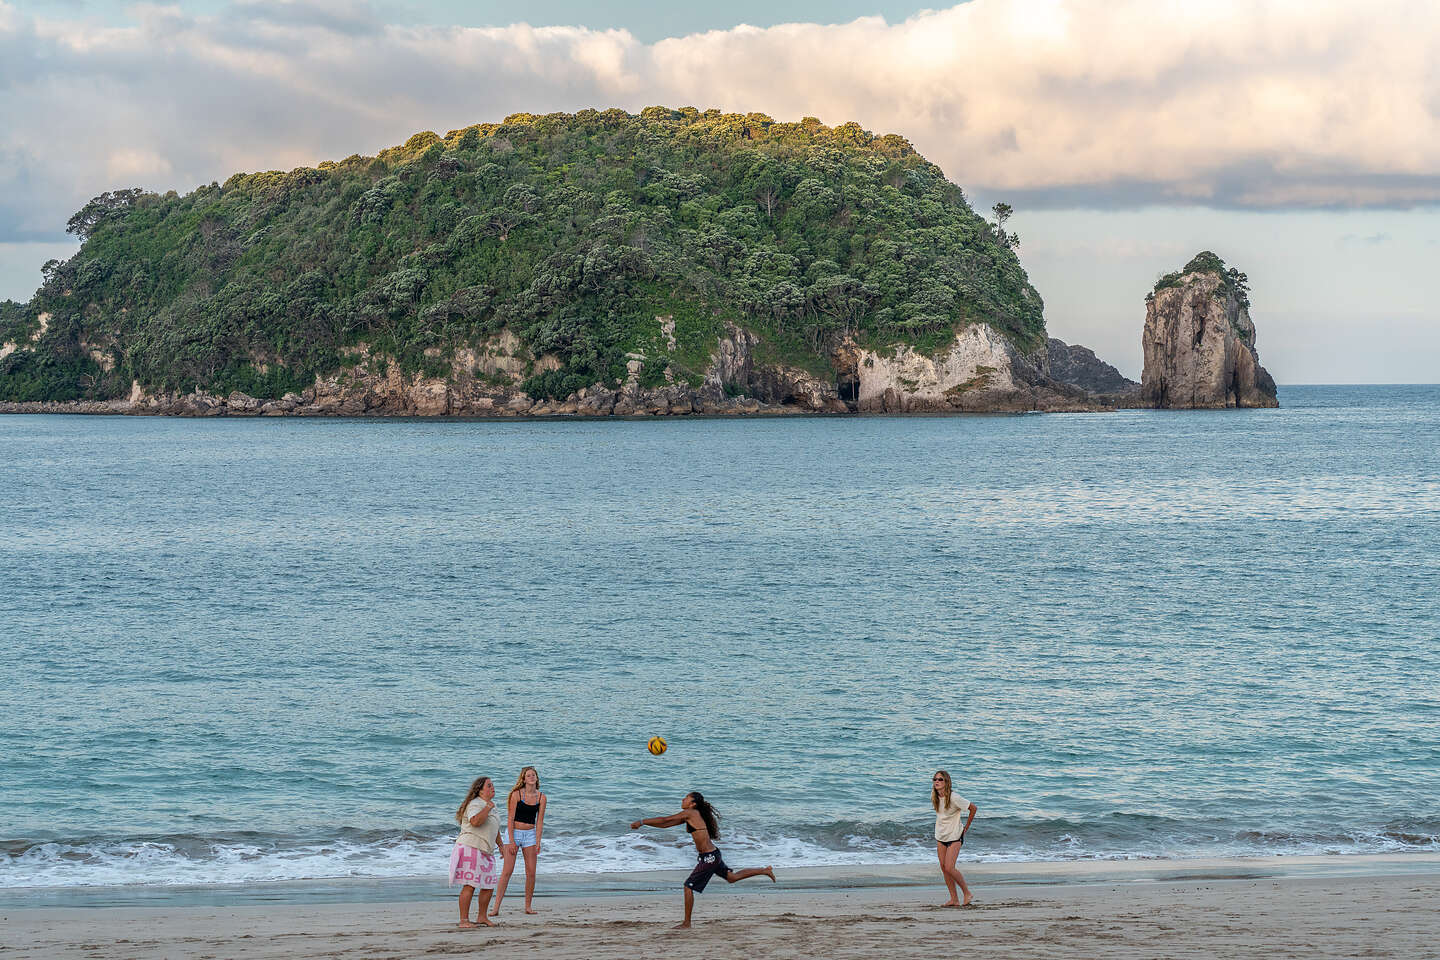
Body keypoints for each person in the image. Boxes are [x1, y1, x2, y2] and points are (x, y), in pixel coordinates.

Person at [629, 790, 775, 929]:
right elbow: (666, 824)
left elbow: (665, 819)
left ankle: (686, 923)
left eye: (686, 798)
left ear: (693, 804)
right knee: (732, 877)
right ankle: (765, 870)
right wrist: (646, 824)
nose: (683, 799)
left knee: (688, 887)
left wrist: (642, 821)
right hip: (713, 855)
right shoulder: (691, 814)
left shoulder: (691, 813)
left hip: (710, 857)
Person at [491, 765, 547, 917]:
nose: (531, 777)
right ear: (523, 779)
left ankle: (528, 907)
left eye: (533, 775)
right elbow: (510, 819)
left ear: (536, 778)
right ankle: (495, 908)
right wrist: (512, 841)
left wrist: (538, 841)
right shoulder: (516, 795)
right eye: (528, 775)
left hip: (530, 835)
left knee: (531, 872)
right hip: (514, 833)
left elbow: (540, 822)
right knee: (507, 871)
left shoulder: (541, 797)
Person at [450, 775, 502, 927]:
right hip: (470, 847)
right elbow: (475, 822)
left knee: (488, 884)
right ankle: (464, 920)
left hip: (486, 850)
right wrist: (486, 808)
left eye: (493, 785)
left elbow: (495, 828)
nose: (493, 788)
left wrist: (501, 846)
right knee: (470, 884)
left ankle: (482, 917)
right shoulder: (475, 804)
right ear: (480, 791)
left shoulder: (491, 804)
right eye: (489, 786)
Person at [932, 769, 977, 907]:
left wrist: (966, 828)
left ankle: (967, 892)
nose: (937, 782)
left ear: (947, 782)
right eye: (935, 779)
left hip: (955, 836)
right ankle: (954, 899)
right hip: (941, 836)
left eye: (940, 779)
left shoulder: (954, 797)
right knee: (944, 868)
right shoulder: (935, 796)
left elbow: (973, 808)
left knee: (950, 867)